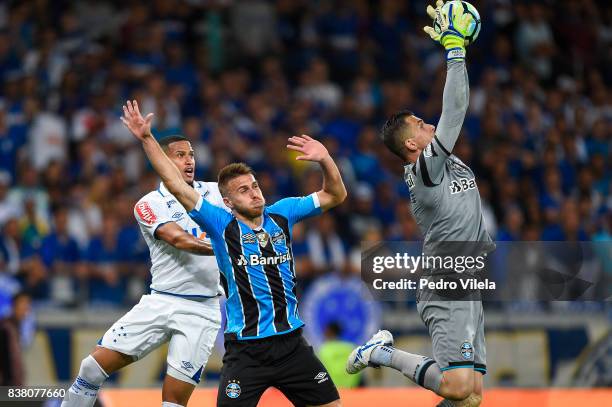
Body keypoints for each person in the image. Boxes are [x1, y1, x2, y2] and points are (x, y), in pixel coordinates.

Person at [122, 99, 346, 407]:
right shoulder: (219, 224)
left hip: (293, 345)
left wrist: (325, 159)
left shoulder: (282, 213)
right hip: (246, 352)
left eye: (255, 186)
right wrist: (147, 138)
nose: (255, 193)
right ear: (227, 201)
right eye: (244, 190)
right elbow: (175, 184)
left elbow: (336, 194)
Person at [346, 3, 493, 407]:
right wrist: (455, 50)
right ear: (412, 145)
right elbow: (456, 110)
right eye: (422, 126)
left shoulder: (444, 162)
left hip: (467, 278)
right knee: (458, 386)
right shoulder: (425, 172)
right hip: (446, 281)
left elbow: (451, 115)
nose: (432, 125)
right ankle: (380, 352)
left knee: (470, 398)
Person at [63, 135, 228, 407]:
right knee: (91, 368)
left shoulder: (216, 194)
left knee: (173, 401)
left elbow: (252, 213)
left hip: (203, 309)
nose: (189, 160)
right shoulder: (149, 203)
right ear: (161, 161)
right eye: (180, 155)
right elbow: (179, 239)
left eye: (192, 154)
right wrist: (226, 245)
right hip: (161, 301)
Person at [0, 291, 31, 386]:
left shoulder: (16, 327)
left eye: (27, 304)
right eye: (22, 304)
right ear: (14, 305)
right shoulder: (5, 327)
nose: (25, 308)